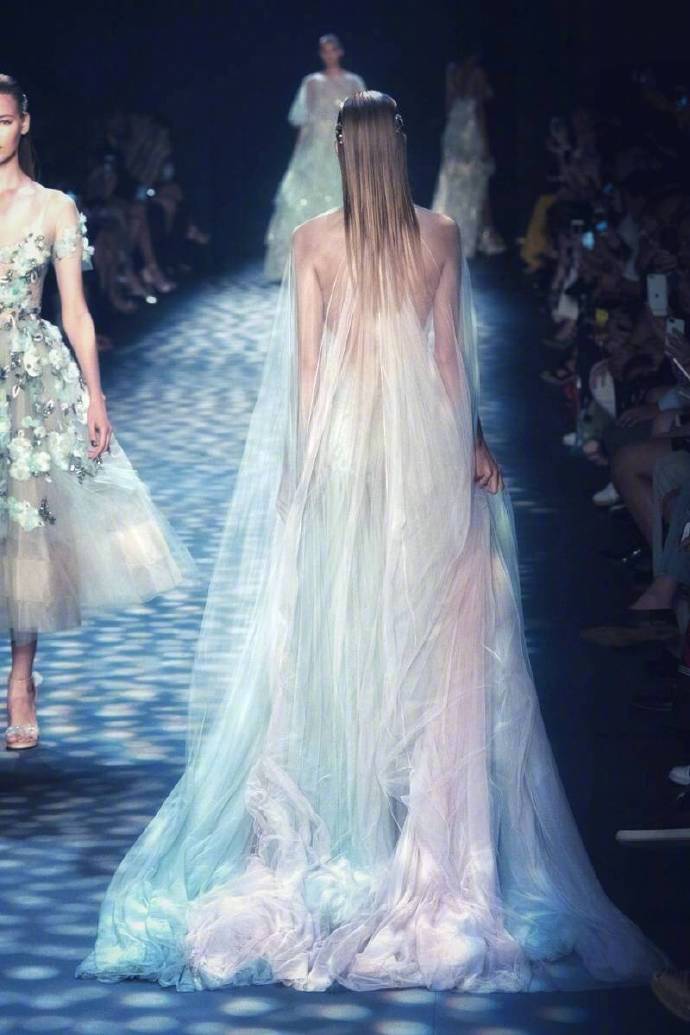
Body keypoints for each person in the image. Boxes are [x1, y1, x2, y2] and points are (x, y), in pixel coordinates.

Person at [79, 91, 664, 993]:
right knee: (423, 623)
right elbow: (449, 361)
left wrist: (301, 468)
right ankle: (418, 836)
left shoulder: (317, 240)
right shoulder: (439, 235)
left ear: (345, 152)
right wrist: (471, 442)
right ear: (399, 147)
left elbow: (312, 370)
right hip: (422, 442)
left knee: (347, 621)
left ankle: (360, 822)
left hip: (351, 444)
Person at [0, 75, 193, 751]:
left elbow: (76, 313)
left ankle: (20, 679)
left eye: (2, 120)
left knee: (27, 521)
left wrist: (96, 396)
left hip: (28, 376)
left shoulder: (54, 207)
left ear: (24, 122)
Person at [264, 33, 365, 281]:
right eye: (324, 51)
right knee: (303, 200)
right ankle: (304, 263)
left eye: (333, 49)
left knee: (343, 199)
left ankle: (344, 263)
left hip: (342, 146)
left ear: (340, 51)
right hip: (313, 148)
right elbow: (303, 122)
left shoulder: (354, 81)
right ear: (320, 54)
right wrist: (296, 156)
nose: (329, 55)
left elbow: (361, 120)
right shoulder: (311, 82)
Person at [432, 57, 506, 259]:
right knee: (473, 183)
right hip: (470, 127)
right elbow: (479, 109)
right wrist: (485, 145)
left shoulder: (452, 70)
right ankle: (468, 237)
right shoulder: (476, 73)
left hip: (454, 125)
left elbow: (448, 104)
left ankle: (447, 236)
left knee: (452, 183)